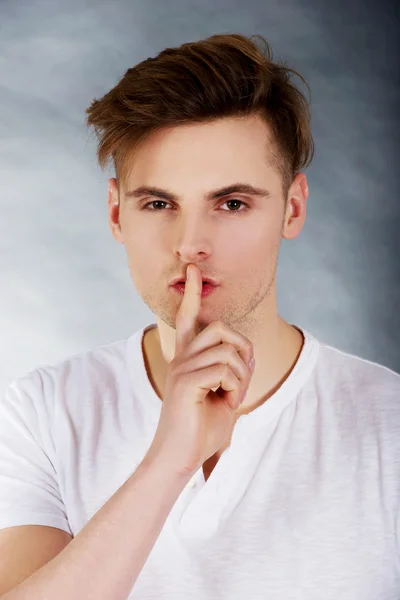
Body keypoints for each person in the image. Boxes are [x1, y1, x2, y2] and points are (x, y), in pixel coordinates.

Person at [0, 32, 399, 600]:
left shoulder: (390, 424)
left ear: (292, 208)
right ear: (117, 213)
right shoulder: (43, 411)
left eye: (231, 204)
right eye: (159, 204)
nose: (191, 244)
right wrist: (169, 460)